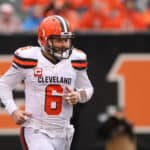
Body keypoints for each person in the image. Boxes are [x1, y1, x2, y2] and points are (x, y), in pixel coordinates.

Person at [0, 15, 94, 150]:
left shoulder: (76, 59)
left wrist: (78, 95)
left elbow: (88, 89)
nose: (64, 45)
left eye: (66, 40)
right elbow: (3, 84)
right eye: (58, 40)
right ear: (44, 40)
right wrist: (13, 110)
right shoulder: (29, 58)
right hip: (36, 129)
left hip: (63, 132)